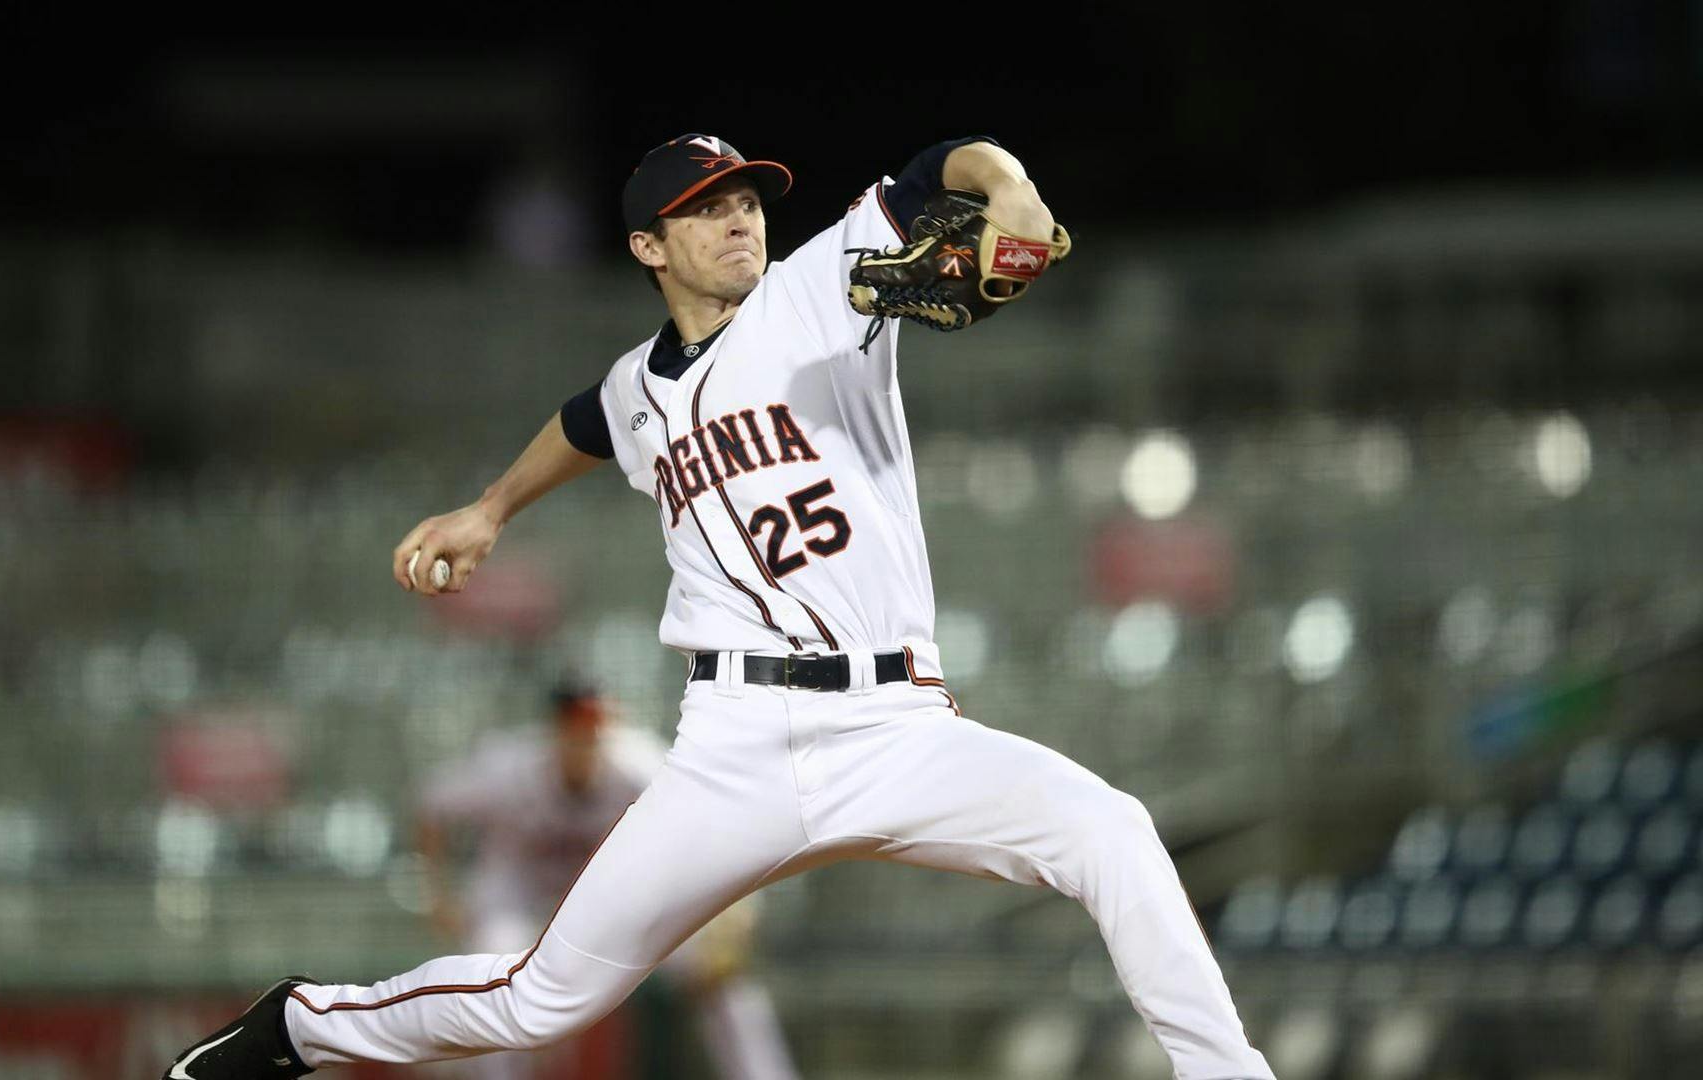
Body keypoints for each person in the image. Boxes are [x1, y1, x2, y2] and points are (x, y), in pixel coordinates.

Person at [164, 133, 1274, 1080]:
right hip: (731, 749)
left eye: (745, 199)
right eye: (706, 209)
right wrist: (491, 509)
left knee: (1110, 831)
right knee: (538, 1001)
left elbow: (946, 163)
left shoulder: (817, 289)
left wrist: (1011, 189)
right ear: (650, 247)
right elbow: (588, 421)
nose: (739, 218)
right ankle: (300, 1029)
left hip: (894, 728)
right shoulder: (635, 388)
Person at [415, 683, 798, 1080]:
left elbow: (716, 824)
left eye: (595, 733)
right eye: (576, 733)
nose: (586, 744)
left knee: (718, 975)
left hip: (610, 902)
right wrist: (437, 897)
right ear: (555, 733)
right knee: (497, 979)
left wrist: (733, 912)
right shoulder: (508, 768)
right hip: (520, 897)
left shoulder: (637, 764)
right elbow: (432, 805)